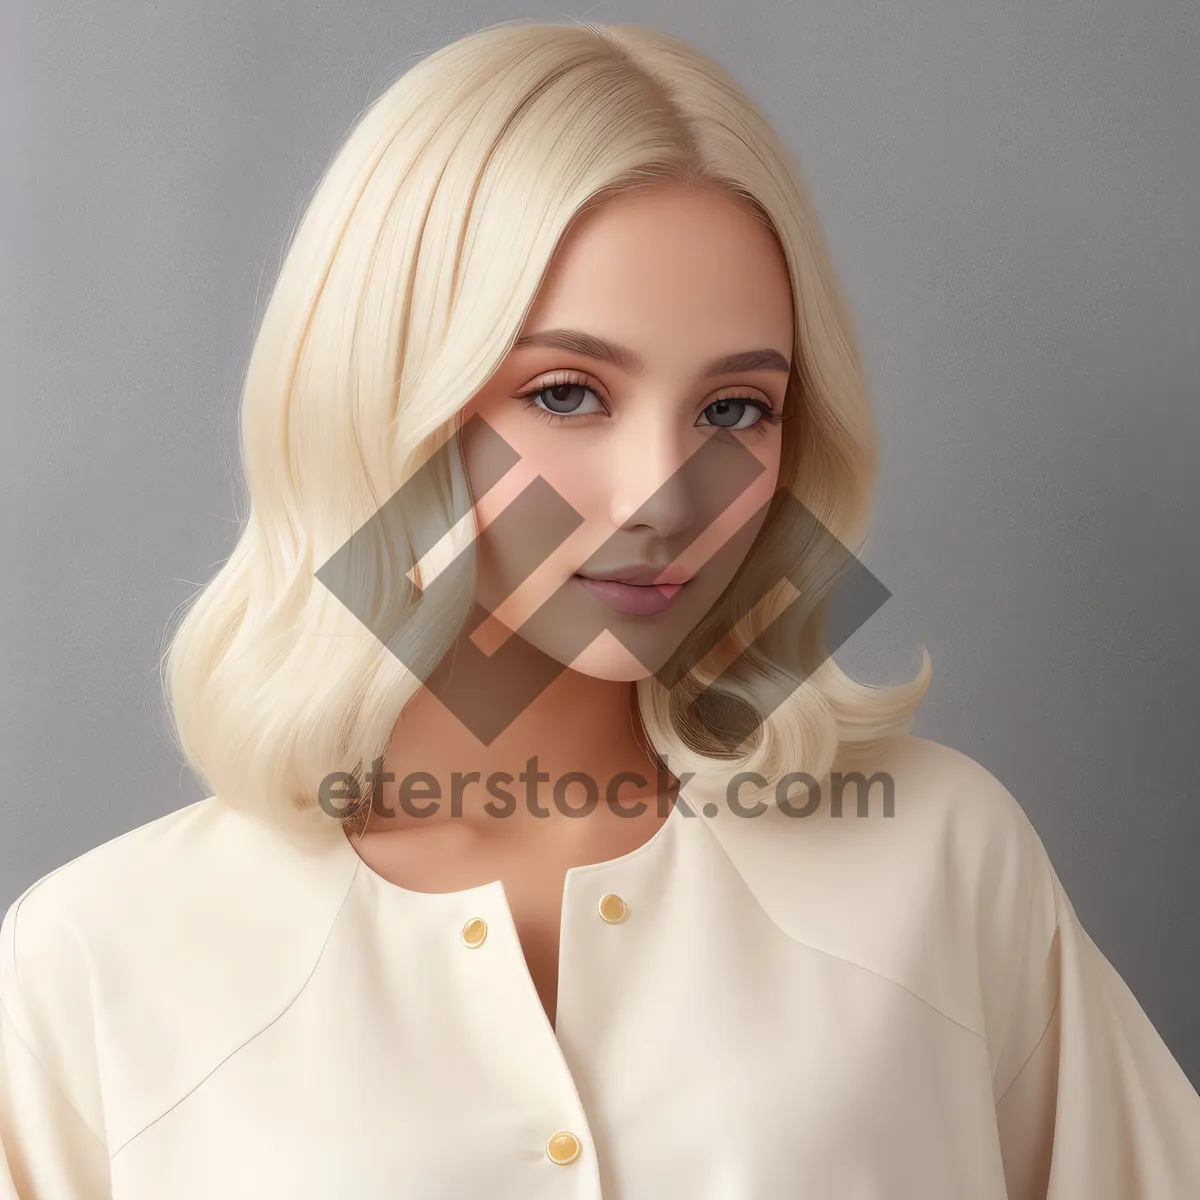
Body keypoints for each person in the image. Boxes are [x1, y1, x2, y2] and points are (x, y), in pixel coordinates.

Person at [2, 18, 1198, 1199]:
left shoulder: (939, 862)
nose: (664, 498)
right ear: (377, 403)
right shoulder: (97, 967)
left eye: (735, 410)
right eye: (566, 392)